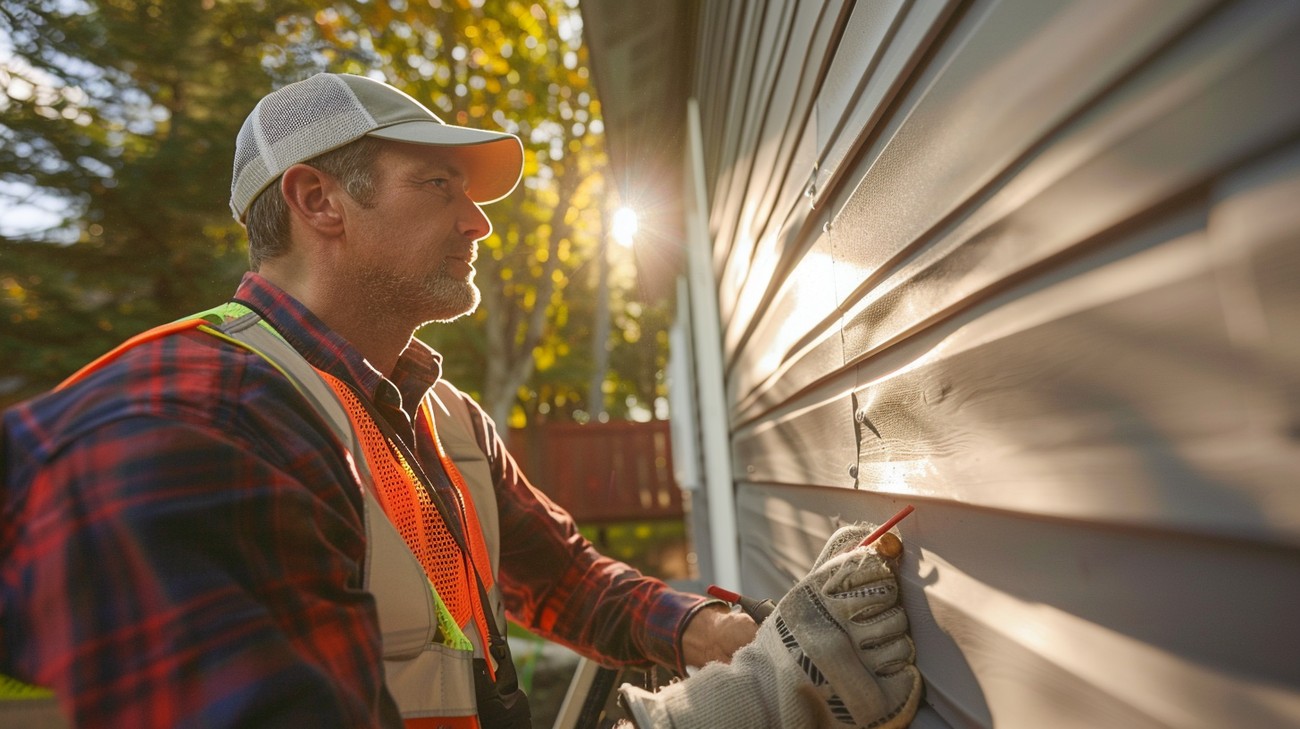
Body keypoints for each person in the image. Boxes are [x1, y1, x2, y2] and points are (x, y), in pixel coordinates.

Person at [0, 73, 921, 728]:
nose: (479, 219)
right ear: (319, 199)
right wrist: (742, 710)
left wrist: (709, 632)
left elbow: (561, 577)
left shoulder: (443, 419)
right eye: (438, 184)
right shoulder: (187, 425)